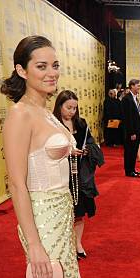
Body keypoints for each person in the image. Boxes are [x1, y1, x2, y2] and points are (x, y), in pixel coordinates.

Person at [0, 35, 97, 278]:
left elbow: (47, 155)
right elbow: (17, 184)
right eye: (42, 66)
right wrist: (35, 246)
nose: (52, 72)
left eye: (54, 65)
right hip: (41, 220)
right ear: (22, 71)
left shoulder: (48, 112)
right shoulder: (21, 114)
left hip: (60, 212)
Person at [53, 90, 104, 260]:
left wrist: (87, 150)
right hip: (59, 176)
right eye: (68, 107)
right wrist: (67, 152)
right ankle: (64, 247)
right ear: (59, 106)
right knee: (63, 215)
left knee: (79, 213)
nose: (72, 111)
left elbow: (91, 143)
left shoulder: (82, 124)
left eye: (75, 108)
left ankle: (78, 244)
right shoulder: (52, 125)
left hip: (80, 177)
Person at [121, 79, 140, 178]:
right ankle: (128, 171)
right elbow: (128, 118)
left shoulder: (135, 98)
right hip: (132, 132)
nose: (139, 87)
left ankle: (132, 169)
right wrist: (132, 132)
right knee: (130, 151)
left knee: (134, 151)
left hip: (137, 130)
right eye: (138, 86)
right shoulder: (127, 99)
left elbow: (138, 114)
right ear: (132, 86)